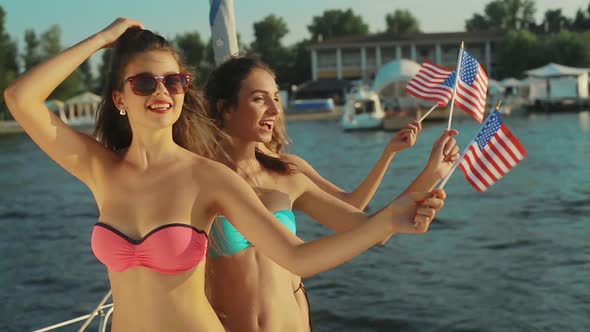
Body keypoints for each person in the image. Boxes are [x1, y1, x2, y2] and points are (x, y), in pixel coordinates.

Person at [4, 18, 447, 332]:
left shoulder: (209, 178)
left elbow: (297, 257)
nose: (161, 92)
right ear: (120, 97)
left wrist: (388, 220)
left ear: (183, 91)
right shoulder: (101, 169)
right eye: (144, 83)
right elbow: (22, 98)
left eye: (173, 82)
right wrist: (105, 38)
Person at [203, 55, 459, 332]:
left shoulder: (286, 174)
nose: (274, 109)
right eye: (259, 99)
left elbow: (372, 228)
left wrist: (432, 173)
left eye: (276, 98)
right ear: (226, 108)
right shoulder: (199, 177)